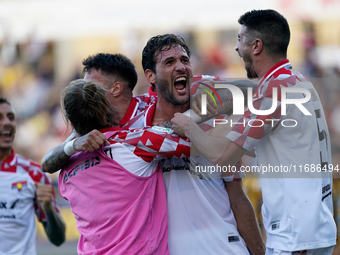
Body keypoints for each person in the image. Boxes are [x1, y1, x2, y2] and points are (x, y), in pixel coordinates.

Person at [171, 10, 336, 255]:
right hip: (316, 230)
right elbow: (252, 97)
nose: (237, 48)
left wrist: (188, 127)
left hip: (294, 238)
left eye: (239, 39)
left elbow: (223, 155)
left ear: (256, 46)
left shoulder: (273, 91)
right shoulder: (299, 81)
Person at [124, 33, 265, 255]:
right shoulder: (137, 128)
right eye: (169, 62)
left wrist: (260, 252)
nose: (180, 67)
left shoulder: (216, 122)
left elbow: (238, 198)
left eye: (184, 60)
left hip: (226, 248)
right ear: (150, 75)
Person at [58, 79, 190, 254]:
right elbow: (197, 145)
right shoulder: (134, 143)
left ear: (69, 120)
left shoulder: (64, 170)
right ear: (106, 108)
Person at [41, 53, 156, 172]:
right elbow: (46, 164)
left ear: (116, 89)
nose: (84, 91)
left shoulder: (153, 110)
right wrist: (73, 145)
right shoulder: (93, 121)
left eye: (91, 86)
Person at [0, 97, 65, 255]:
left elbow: (58, 238)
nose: (7, 123)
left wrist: (48, 208)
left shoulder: (34, 173)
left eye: (11, 117)